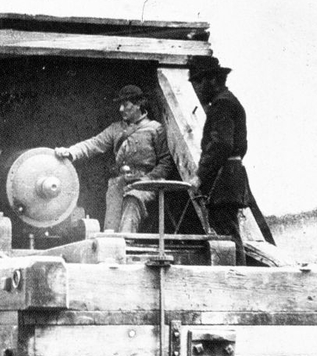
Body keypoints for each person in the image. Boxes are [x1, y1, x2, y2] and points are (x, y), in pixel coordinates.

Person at [55, 85, 174, 233]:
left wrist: (149, 179)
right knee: (111, 226)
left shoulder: (155, 129)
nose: (120, 109)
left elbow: (165, 162)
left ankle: (126, 244)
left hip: (146, 183)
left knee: (133, 199)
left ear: (138, 104)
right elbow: (93, 144)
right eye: (120, 104)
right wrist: (71, 152)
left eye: (125, 104)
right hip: (119, 184)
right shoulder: (116, 129)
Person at [187, 56, 251, 265]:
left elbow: (221, 144)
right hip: (229, 175)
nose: (196, 89)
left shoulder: (222, 105)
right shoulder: (228, 102)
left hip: (223, 180)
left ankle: (238, 280)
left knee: (228, 237)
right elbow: (239, 146)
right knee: (229, 233)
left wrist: (199, 175)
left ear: (211, 80)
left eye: (198, 82)